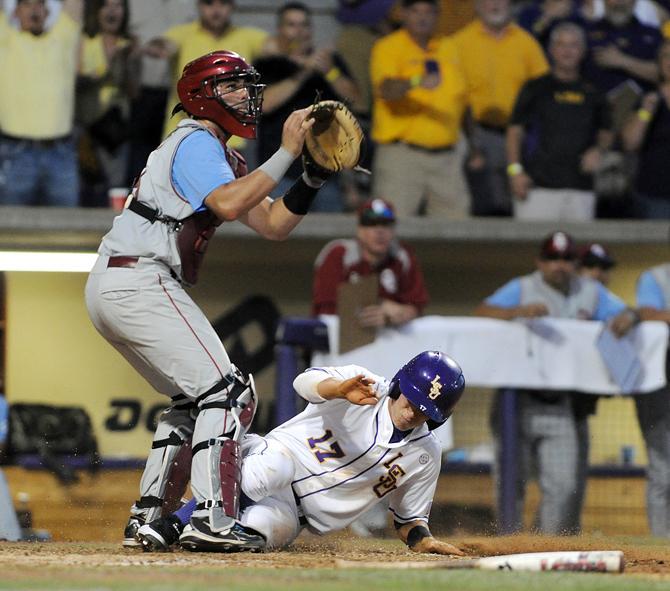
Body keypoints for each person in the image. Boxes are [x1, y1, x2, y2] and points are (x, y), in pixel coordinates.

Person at [85, 49, 330, 552]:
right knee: (231, 392)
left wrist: (311, 179)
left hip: (120, 283)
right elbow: (227, 204)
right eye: (233, 86)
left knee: (197, 399)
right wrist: (284, 153)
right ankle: (211, 518)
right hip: (140, 278)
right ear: (202, 95)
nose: (246, 95)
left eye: (247, 85)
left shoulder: (216, 152)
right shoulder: (196, 139)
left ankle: (150, 518)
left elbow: (272, 224)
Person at [134, 351, 467, 554]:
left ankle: (192, 531)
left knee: (253, 537)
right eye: (411, 402)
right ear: (400, 385)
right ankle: (172, 524)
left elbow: (409, 518)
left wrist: (422, 540)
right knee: (274, 468)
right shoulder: (364, 385)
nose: (412, 414)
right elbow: (303, 383)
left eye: (425, 412)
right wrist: (337, 389)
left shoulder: (425, 454)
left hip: (295, 515)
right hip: (268, 457)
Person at [474, 231, 638, 534]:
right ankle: (509, 545)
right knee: (512, 482)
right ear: (540, 261)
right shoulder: (522, 287)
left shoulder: (589, 291)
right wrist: (516, 312)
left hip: (561, 403)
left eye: (566, 259)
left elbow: (625, 311)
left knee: (564, 485)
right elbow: (482, 312)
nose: (559, 265)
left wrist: (628, 317)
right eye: (552, 258)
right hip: (517, 401)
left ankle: (544, 545)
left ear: (575, 263)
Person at [253, 2, 361, 213]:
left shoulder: (330, 63)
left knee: (325, 237)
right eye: (291, 25)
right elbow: (263, 104)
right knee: (277, 238)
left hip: (326, 173)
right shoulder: (268, 64)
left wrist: (330, 72)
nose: (299, 31)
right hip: (280, 173)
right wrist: (302, 73)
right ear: (280, 30)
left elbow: (356, 100)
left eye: (304, 25)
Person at [369, 0, 471, 218]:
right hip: (403, 156)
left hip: (447, 158)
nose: (422, 17)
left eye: (428, 11)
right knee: (392, 226)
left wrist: (475, 146)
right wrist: (416, 81)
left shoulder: (450, 47)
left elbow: (464, 99)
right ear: (404, 14)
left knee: (458, 231)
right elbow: (385, 89)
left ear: (437, 15)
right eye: (415, 11)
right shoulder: (388, 47)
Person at [506, 22, 613, 221]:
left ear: (582, 51)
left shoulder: (594, 92)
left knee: (578, 251)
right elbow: (515, 131)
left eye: (573, 45)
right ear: (552, 50)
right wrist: (515, 172)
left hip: (580, 189)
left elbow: (606, 131)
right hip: (537, 188)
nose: (567, 51)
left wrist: (598, 150)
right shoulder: (534, 88)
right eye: (562, 45)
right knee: (533, 251)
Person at [451, 0, 549, 217]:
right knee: (482, 204)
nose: (494, 5)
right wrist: (470, 143)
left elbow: (544, 90)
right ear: (476, 5)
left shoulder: (526, 43)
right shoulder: (458, 43)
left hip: (519, 136)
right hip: (475, 134)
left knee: (518, 204)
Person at [143, 0, 268, 139]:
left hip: (232, 140)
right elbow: (166, 44)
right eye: (209, 3)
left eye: (223, 3)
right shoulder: (182, 34)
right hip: (184, 134)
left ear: (232, 6)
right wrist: (159, 47)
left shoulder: (247, 36)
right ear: (198, 5)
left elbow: (277, 45)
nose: (216, 10)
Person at [0, 0, 83, 206]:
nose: (35, 9)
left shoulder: (63, 36)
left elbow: (75, 5)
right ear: (16, 12)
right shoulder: (5, 39)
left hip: (61, 154)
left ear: (47, 11)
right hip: (16, 154)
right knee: (13, 233)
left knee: (66, 233)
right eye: (27, 4)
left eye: (39, 4)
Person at [312, 197, 429, 328]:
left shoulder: (402, 256)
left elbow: (417, 307)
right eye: (371, 223)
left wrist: (399, 314)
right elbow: (326, 309)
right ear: (360, 230)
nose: (380, 231)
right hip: (340, 340)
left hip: (390, 343)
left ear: (393, 230)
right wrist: (380, 305)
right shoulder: (339, 254)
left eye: (385, 224)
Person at [77, 0, 140, 206]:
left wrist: (128, 64)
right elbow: (76, 82)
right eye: (106, 6)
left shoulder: (129, 44)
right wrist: (108, 68)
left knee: (116, 187)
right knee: (84, 186)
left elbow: (134, 92)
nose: (113, 11)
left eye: (118, 6)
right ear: (96, 11)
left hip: (114, 131)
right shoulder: (84, 41)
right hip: (85, 127)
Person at [633, 262, 670, 537]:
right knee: (663, 470)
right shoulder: (655, 277)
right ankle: (663, 546)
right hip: (659, 386)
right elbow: (646, 314)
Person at [622, 40, 670, 219]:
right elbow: (630, 143)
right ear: (659, 63)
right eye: (666, 56)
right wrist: (645, 112)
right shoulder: (648, 98)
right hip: (655, 195)